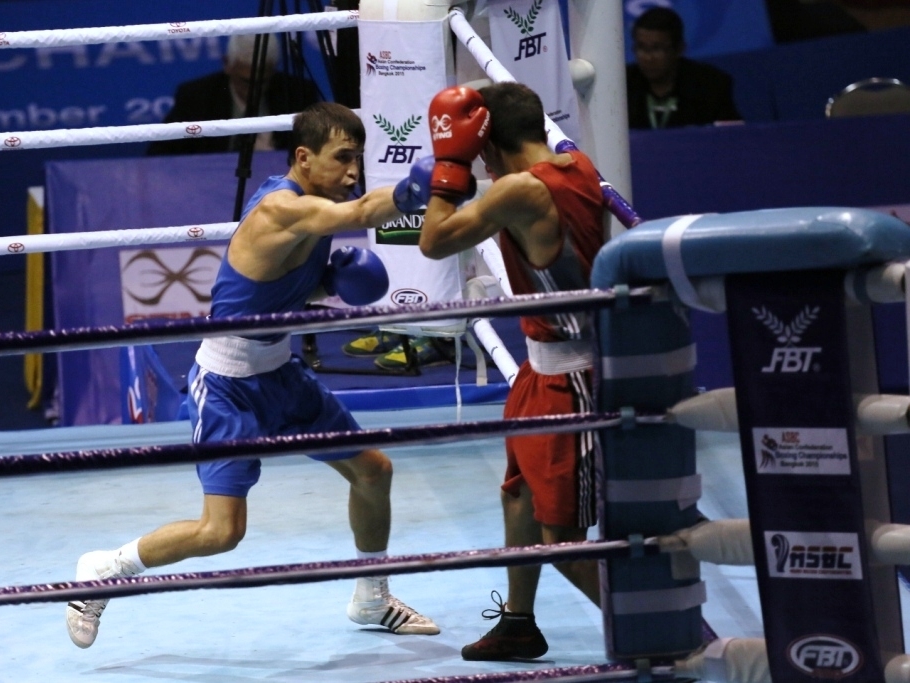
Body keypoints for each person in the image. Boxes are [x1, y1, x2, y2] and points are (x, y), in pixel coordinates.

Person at [66, 102, 440, 649]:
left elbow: (282, 285)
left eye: (358, 159)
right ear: (304, 158)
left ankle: (372, 597)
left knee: (373, 470)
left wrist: (329, 285)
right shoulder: (281, 209)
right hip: (227, 385)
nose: (353, 172)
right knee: (221, 532)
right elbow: (361, 212)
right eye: (342, 158)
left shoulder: (312, 207)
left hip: (280, 372)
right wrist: (414, 192)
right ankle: (106, 569)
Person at [413, 82, 606, 661]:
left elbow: (433, 242)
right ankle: (519, 624)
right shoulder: (577, 164)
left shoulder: (522, 190)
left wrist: (450, 166)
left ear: (488, 145)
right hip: (540, 368)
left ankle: (663, 636)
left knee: (563, 542)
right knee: (519, 495)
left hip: (570, 379)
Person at [146, 33, 321, 155]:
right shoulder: (195, 97)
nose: (254, 90)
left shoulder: (299, 93)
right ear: (227, 64)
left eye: (262, 81)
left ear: (274, 69)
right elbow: (159, 156)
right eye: (246, 81)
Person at [626, 6, 742, 129]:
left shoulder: (711, 86)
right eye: (641, 48)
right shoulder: (622, 84)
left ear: (679, 49)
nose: (648, 58)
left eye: (657, 48)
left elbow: (731, 135)